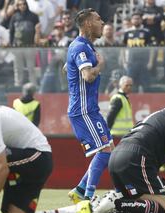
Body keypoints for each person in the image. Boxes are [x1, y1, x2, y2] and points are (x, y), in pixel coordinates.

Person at [95, 86, 165, 213]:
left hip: (116, 156)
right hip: (136, 157)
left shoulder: (158, 113)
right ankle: (116, 202)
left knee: (136, 205)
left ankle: (102, 204)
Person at [65, 8, 114, 202]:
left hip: (90, 109)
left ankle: (80, 190)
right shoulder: (80, 47)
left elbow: (66, 68)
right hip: (83, 110)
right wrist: (100, 65)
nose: (102, 23)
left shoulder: (84, 46)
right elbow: (86, 75)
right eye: (98, 19)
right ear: (87, 24)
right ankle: (88, 198)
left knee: (108, 147)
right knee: (105, 151)